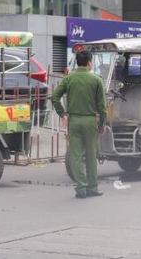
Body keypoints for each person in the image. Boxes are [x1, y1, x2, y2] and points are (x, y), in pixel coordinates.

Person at [51, 50, 107, 199]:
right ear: (89, 62)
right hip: (90, 122)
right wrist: (102, 123)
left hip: (74, 121)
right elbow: (102, 107)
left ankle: (80, 189)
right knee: (91, 155)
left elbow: (55, 97)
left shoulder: (69, 78)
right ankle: (92, 188)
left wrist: (62, 114)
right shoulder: (96, 80)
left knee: (76, 155)